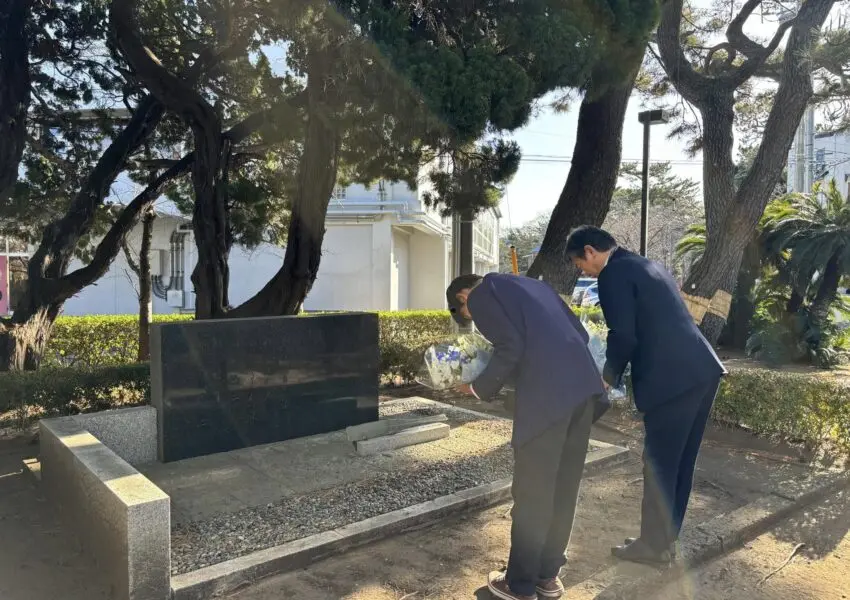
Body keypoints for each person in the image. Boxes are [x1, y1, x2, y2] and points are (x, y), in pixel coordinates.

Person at [565, 226, 726, 566]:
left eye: (580, 264)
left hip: (672, 379)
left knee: (659, 463)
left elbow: (623, 334)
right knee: (681, 461)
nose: (584, 272)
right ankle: (663, 540)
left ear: (590, 251)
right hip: (702, 369)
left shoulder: (612, 274)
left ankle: (653, 547)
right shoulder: (646, 264)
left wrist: (607, 377)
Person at [447, 273, 606, 600]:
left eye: (468, 315)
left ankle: (519, 584)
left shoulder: (482, 293)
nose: (476, 319)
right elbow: (578, 333)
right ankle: (547, 576)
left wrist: (476, 387)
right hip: (584, 391)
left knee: (534, 492)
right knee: (564, 487)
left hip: (547, 400)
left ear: (463, 297)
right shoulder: (535, 286)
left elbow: (510, 346)